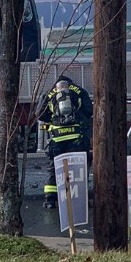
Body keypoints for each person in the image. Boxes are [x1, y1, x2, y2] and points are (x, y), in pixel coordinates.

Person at [38, 75, 93, 209]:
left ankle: (50, 200)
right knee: (78, 168)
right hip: (76, 137)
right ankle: (80, 199)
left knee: (54, 167)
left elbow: (40, 114)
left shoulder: (50, 93)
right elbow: (89, 110)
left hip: (57, 138)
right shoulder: (79, 91)